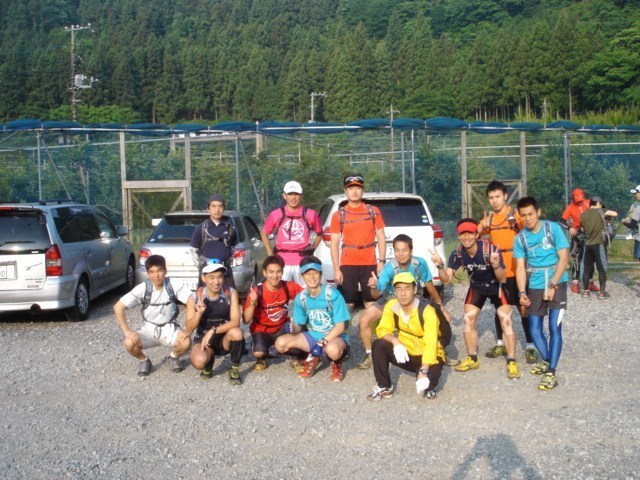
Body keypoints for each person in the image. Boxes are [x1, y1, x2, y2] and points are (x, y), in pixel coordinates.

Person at [431, 218, 522, 379]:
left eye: (470, 233)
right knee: (468, 319)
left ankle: (512, 361)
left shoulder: (490, 250)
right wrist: (439, 266)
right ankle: (472, 358)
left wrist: (495, 265)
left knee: (506, 320)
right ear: (458, 236)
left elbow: (502, 278)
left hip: (496, 286)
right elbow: (446, 280)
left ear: (476, 234)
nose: (466, 237)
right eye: (462, 234)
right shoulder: (458, 253)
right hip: (477, 287)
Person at [356, 233, 448, 370]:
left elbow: (429, 286)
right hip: (391, 298)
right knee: (364, 319)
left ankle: (439, 351)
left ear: (411, 250)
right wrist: (374, 287)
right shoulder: (389, 268)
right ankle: (369, 354)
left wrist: (439, 304)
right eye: (397, 250)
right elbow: (377, 294)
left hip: (414, 298)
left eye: (404, 250)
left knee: (445, 317)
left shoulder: (419, 264)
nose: (401, 254)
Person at [478, 180, 537, 364]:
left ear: (505, 196)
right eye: (491, 198)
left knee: (523, 308)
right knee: (500, 308)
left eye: (498, 196)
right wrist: (480, 228)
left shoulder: (515, 214)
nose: (494, 201)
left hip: (516, 269)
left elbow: (531, 228)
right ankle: (500, 343)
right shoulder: (489, 218)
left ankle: (530, 346)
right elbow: (473, 236)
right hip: (498, 271)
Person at [514, 196, 569, 391]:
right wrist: (522, 292)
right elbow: (520, 268)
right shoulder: (520, 238)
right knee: (534, 329)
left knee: (554, 327)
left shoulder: (552, 229)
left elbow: (564, 257)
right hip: (535, 285)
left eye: (530, 214)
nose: (527, 218)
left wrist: (553, 283)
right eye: (523, 215)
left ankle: (551, 372)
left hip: (557, 282)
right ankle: (547, 360)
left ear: (538, 212)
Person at [366, 272, 448, 401]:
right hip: (406, 352)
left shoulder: (427, 311)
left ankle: (428, 382)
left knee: (427, 385)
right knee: (379, 344)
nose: (403, 293)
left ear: (415, 290)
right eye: (399, 289)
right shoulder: (392, 306)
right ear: (394, 291)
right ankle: (384, 386)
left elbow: (431, 343)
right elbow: (382, 329)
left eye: (407, 288)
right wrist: (395, 342)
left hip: (429, 355)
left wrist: (424, 370)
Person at [275, 256, 351, 382]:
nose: (311, 277)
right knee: (280, 343)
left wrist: (322, 342)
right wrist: (293, 328)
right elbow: (299, 325)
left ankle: (337, 362)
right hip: (312, 335)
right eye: (307, 273)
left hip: (333, 336)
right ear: (302, 276)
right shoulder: (301, 298)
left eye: (315, 272)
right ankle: (314, 358)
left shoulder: (333, 295)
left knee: (333, 351)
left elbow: (340, 326)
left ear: (321, 274)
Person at [114, 255, 192, 376]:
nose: (156, 275)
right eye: (152, 272)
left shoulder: (172, 285)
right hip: (149, 330)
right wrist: (127, 332)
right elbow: (118, 307)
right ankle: (144, 360)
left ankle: (173, 357)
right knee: (129, 343)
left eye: (159, 270)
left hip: (170, 329)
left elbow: (191, 301)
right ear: (148, 273)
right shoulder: (143, 288)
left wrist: (187, 330)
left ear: (165, 271)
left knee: (186, 342)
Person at [330, 174, 386, 310]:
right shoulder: (338, 215)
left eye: (358, 188)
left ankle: (372, 325)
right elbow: (334, 244)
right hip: (348, 264)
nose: (354, 191)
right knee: (348, 303)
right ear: (345, 190)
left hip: (369, 263)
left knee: (371, 302)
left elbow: (381, 237)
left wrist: (382, 261)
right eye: (351, 188)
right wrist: (336, 269)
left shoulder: (373, 211)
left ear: (362, 190)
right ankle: (345, 325)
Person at [185, 261, 244, 385]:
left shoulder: (230, 293)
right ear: (203, 278)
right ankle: (209, 361)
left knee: (237, 332)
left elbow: (235, 321)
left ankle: (234, 368)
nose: (216, 282)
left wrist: (213, 331)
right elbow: (189, 328)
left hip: (224, 338)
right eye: (211, 277)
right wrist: (198, 314)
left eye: (220, 277)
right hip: (203, 339)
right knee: (199, 361)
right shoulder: (194, 297)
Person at [242, 255, 303, 371]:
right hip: (262, 329)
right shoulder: (257, 291)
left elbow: (307, 298)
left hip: (282, 327)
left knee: (300, 328)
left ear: (282, 272)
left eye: (278, 271)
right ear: (264, 273)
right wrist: (253, 303)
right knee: (258, 352)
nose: (275, 276)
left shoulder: (288, 286)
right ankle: (263, 355)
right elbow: (246, 320)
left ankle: (295, 357)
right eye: (271, 272)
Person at [260, 181, 323, 285]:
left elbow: (320, 233)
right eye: (290, 194)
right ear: (284, 195)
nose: (293, 197)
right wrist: (270, 253)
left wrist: (312, 248)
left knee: (305, 291)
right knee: (281, 291)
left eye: (296, 194)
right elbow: (264, 233)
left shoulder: (310, 214)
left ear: (301, 196)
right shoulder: (276, 214)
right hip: (282, 263)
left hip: (303, 262)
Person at [190, 194, 237, 288]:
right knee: (205, 297)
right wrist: (201, 266)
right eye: (213, 206)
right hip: (207, 274)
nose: (217, 209)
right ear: (208, 209)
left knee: (230, 296)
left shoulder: (230, 228)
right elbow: (193, 250)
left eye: (220, 206)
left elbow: (233, 249)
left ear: (223, 208)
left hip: (225, 274)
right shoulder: (201, 229)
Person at [560, 188, 597, 294]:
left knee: (591, 258)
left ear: (583, 197)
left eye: (581, 200)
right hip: (577, 234)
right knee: (577, 259)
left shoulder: (589, 203)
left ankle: (590, 282)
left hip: (590, 233)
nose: (580, 202)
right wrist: (570, 228)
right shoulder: (570, 208)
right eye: (577, 201)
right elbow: (562, 221)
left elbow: (600, 209)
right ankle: (575, 283)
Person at [579, 196, 611, 299]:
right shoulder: (601, 211)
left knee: (587, 269)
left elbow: (582, 229)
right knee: (601, 269)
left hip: (587, 245)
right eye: (601, 205)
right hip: (598, 244)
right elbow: (615, 213)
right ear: (598, 203)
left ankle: (586, 292)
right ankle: (602, 293)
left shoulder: (583, 214)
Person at [622, 185, 640, 262]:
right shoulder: (634, 205)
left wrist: (624, 222)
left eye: (636, 193)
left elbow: (632, 224)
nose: (634, 196)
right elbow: (629, 217)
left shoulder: (638, 208)